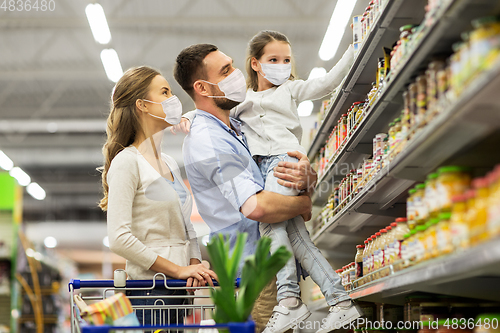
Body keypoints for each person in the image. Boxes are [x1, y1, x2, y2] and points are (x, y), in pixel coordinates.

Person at [174, 31, 362, 333]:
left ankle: (332, 302)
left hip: (267, 264)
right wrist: (302, 201)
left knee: (300, 241)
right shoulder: (209, 138)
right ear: (202, 87)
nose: (235, 75)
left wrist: (307, 179)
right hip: (256, 266)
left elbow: (324, 84)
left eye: (232, 66)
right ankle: (311, 302)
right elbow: (257, 207)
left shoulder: (235, 125)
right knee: (286, 234)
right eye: (225, 71)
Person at [98, 66, 217, 327]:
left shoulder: (170, 162)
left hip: (179, 291)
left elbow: (187, 228)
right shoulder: (127, 162)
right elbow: (119, 238)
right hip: (149, 292)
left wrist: (194, 266)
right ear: (142, 105)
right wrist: (178, 270)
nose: (173, 99)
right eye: (164, 92)